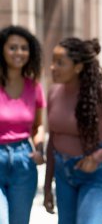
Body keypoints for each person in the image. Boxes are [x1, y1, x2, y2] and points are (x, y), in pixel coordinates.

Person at [43, 37, 102, 224]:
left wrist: (98, 157)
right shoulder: (53, 92)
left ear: (78, 67)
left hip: (95, 175)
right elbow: (53, 141)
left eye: (60, 63)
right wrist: (48, 186)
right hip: (63, 175)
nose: (52, 67)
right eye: (52, 61)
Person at [0, 25, 46, 224]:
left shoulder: (34, 87)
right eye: (13, 47)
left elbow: (38, 126)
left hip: (23, 163)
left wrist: (39, 149)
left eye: (24, 48)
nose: (19, 52)